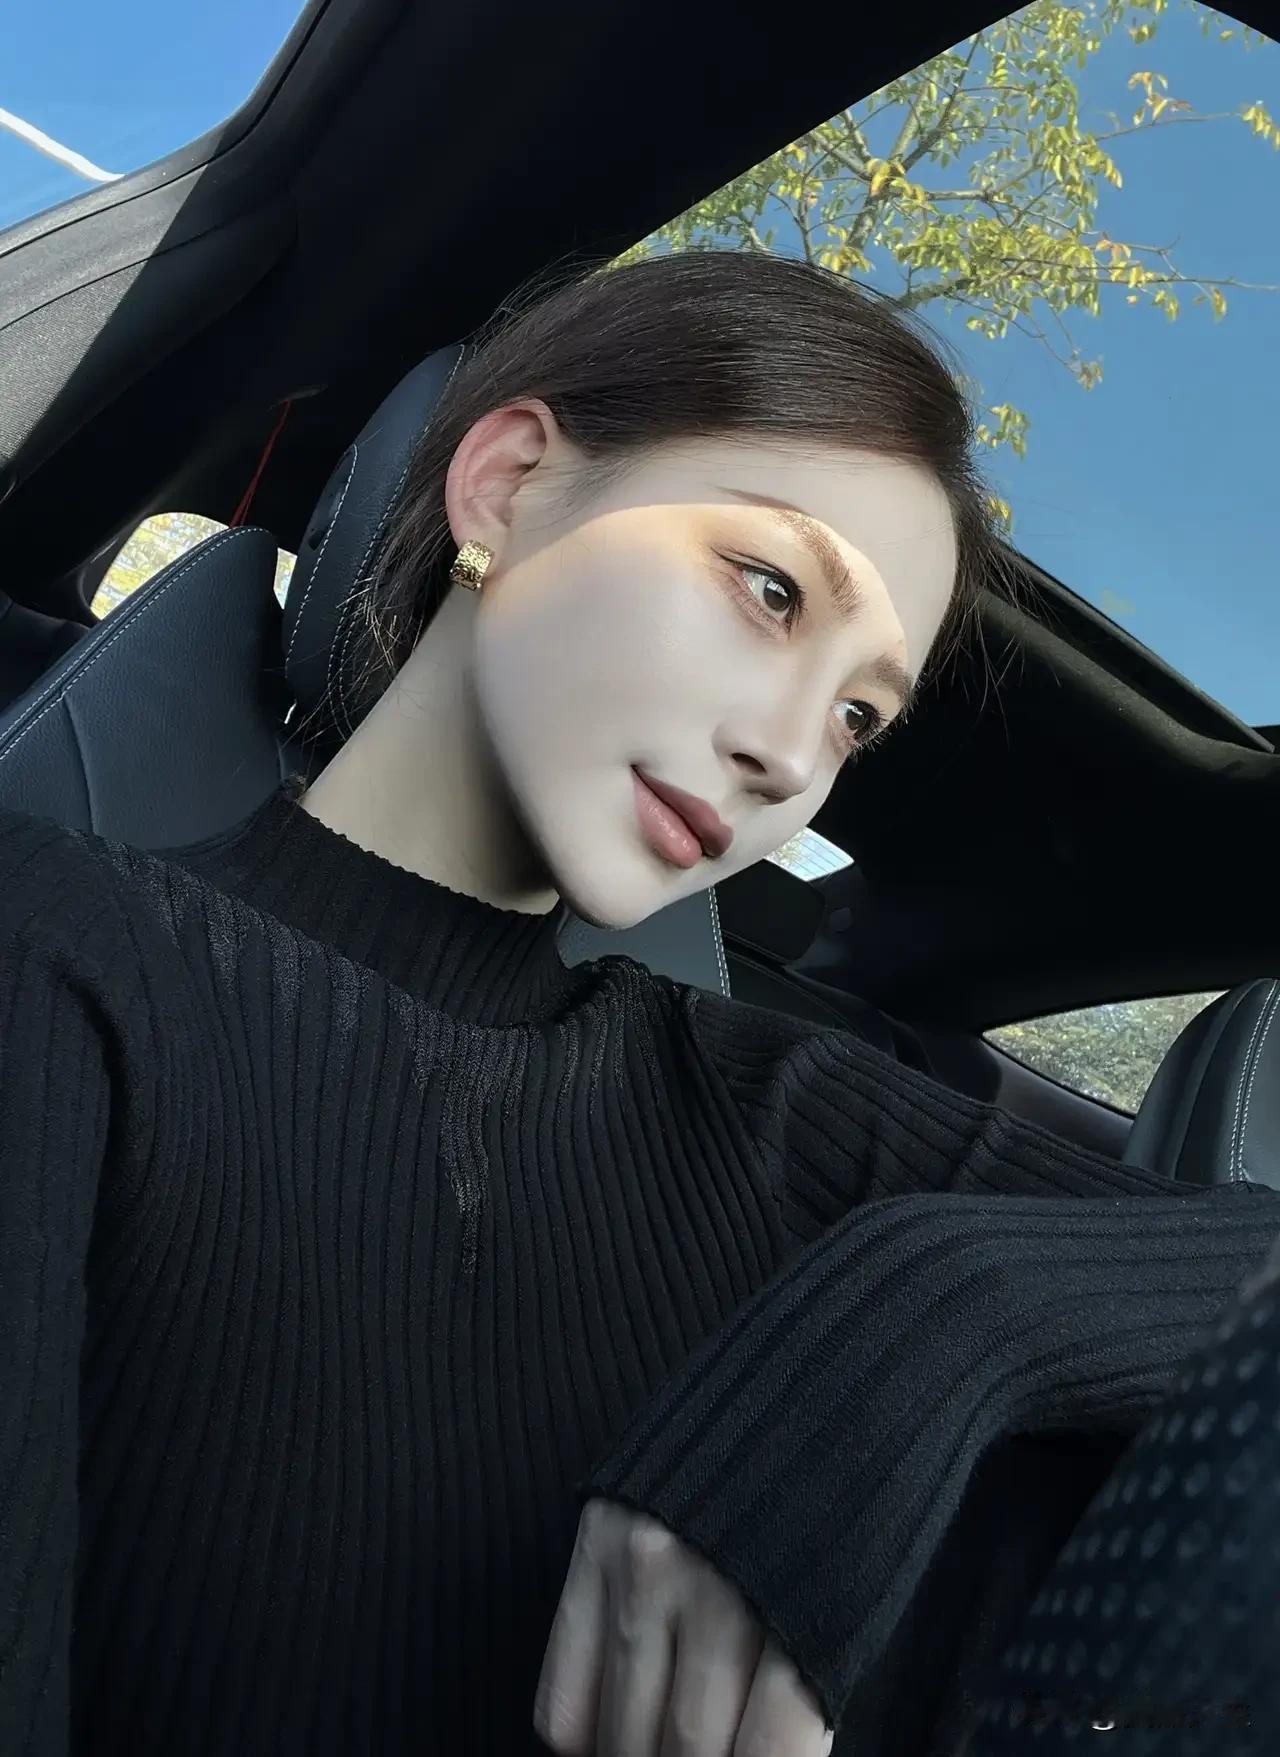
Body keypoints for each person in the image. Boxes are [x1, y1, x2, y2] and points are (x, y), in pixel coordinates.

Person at [1, 248, 1276, 1757]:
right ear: (509, 485)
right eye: (770, 588)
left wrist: (951, 1308)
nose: (791, 758)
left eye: (858, 716)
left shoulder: (785, 1112)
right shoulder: (56, 942)